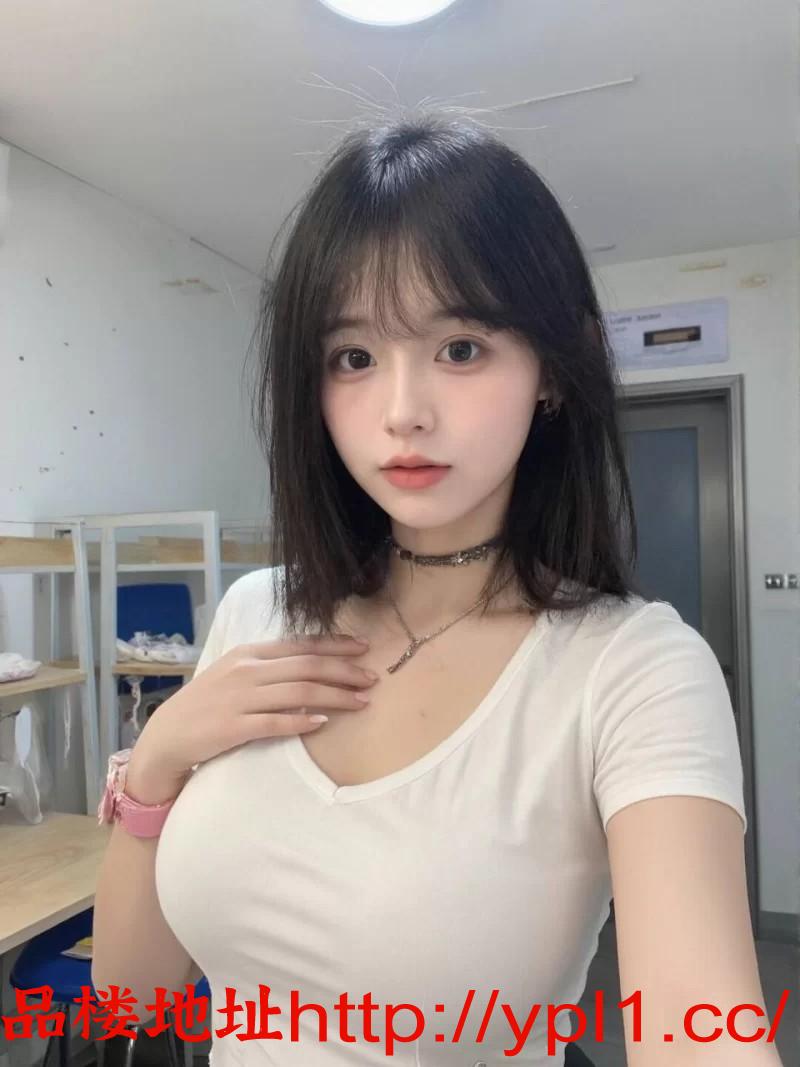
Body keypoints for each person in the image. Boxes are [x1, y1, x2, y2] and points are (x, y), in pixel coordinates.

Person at [92, 112, 778, 1067]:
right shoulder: (256, 613)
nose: (402, 411)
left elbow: (699, 1030)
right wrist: (158, 759)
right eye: (354, 357)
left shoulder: (633, 668)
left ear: (553, 368)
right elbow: (132, 1003)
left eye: (460, 347)